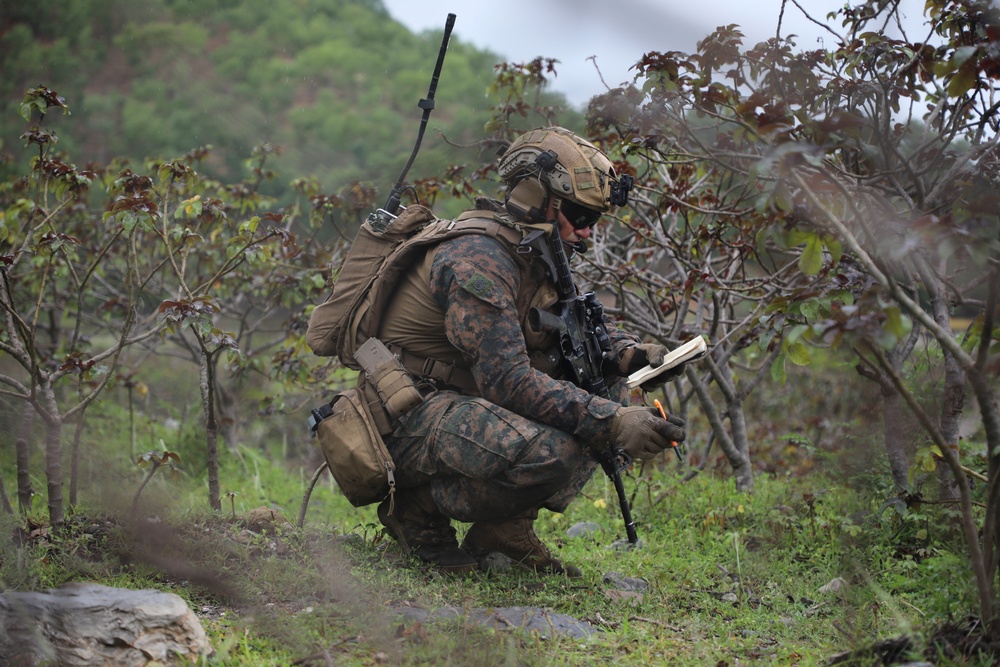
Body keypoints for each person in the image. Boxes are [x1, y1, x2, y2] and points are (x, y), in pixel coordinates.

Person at [370, 126, 686, 575]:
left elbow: (572, 323)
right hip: (409, 412)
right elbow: (506, 380)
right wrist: (613, 422)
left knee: (606, 386)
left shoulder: (534, 253)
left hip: (462, 405)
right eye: (578, 215)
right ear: (537, 196)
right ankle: (417, 510)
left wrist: (629, 354)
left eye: (593, 221)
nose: (585, 233)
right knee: (556, 449)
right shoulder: (478, 257)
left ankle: (504, 531)